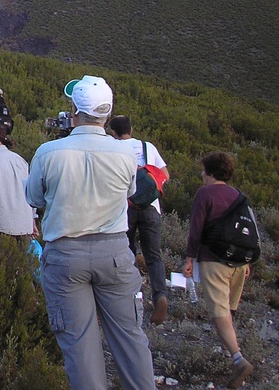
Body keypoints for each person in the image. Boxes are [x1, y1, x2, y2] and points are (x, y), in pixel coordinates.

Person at [25, 75, 155, 390]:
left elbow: (34, 198)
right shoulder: (126, 153)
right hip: (114, 252)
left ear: (75, 109)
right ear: (106, 113)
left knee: (79, 344)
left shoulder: (48, 152)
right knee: (129, 337)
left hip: (65, 254)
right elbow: (132, 191)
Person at [183, 152, 255, 389]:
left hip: (214, 260)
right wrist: (248, 262)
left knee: (219, 312)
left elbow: (196, 228)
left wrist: (190, 258)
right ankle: (226, 352)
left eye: (203, 170)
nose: (201, 174)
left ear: (211, 172)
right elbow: (249, 229)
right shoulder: (239, 196)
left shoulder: (205, 193)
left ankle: (237, 358)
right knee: (230, 308)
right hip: (239, 262)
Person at [109, 115, 172, 326]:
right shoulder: (147, 147)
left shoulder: (112, 149)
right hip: (151, 208)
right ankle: (160, 295)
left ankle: (133, 297)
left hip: (125, 208)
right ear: (131, 129)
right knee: (153, 256)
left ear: (113, 133)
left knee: (127, 253)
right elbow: (165, 175)